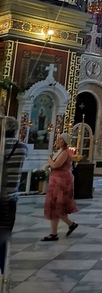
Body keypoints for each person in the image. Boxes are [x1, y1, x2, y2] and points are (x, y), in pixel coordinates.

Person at [0, 117, 28, 274]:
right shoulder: (22, 148)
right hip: (11, 199)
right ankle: (2, 271)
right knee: (3, 237)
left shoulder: (1, 146)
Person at [42, 132, 79, 241]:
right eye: (57, 139)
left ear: (65, 142)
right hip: (56, 181)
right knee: (53, 207)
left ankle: (70, 224)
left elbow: (55, 165)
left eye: (60, 139)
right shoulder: (60, 151)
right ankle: (54, 233)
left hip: (61, 182)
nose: (57, 141)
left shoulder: (65, 152)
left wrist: (49, 160)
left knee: (57, 206)